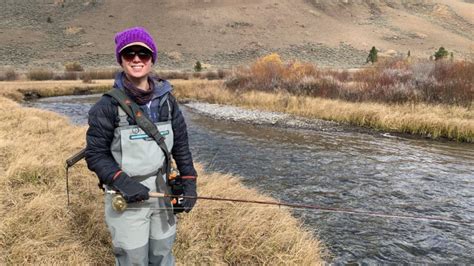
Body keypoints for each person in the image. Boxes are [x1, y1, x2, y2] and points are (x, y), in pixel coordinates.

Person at [85, 26, 197, 265]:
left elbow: (181, 145)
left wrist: (189, 180)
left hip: (162, 189)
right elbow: (95, 155)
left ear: (152, 59)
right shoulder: (106, 107)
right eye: (129, 54)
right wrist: (121, 181)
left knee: (162, 253)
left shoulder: (168, 101)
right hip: (125, 195)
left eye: (143, 54)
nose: (136, 59)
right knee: (133, 258)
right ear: (121, 60)